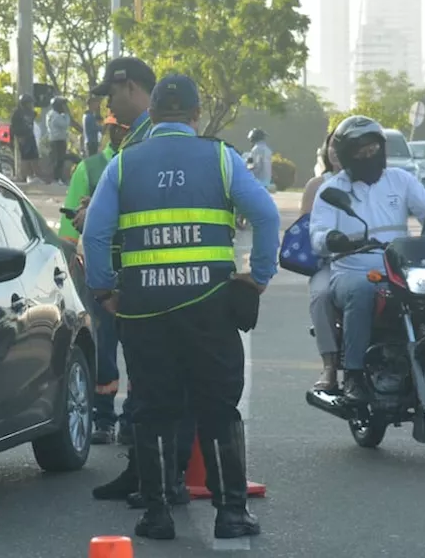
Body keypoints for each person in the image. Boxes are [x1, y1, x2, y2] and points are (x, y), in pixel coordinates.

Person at [82, 74, 278, 541]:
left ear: (152, 114)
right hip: (210, 308)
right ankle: (231, 514)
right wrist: (259, 277)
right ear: (195, 115)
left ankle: (157, 515)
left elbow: (94, 233)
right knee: (217, 407)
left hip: (145, 311)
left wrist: (104, 291)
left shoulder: (125, 163)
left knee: (152, 409)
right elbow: (268, 215)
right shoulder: (221, 157)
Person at [309, 116, 425, 404]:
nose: (369, 154)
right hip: (353, 268)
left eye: (373, 147)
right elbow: (317, 232)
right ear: (345, 154)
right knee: (361, 290)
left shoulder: (400, 180)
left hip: (399, 267)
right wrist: (334, 239)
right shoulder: (332, 191)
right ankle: (353, 375)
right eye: (360, 150)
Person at [59, 114, 130, 445]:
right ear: (110, 130)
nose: (120, 133)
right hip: (97, 272)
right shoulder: (88, 169)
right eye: (117, 129)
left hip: (138, 270)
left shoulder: (141, 163)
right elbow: (67, 233)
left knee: (140, 348)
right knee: (103, 347)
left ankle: (133, 417)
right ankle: (104, 417)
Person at [301, 132, 343, 392]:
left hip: (375, 260)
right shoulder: (318, 185)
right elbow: (306, 229)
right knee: (321, 295)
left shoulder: (385, 181)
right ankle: (329, 365)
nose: (336, 151)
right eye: (332, 145)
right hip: (330, 261)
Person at [10, 95, 40, 182]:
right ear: (24, 103)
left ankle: (35, 175)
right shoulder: (17, 113)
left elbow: (32, 120)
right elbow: (13, 128)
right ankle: (24, 176)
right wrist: (18, 137)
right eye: (29, 103)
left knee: (34, 156)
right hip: (22, 137)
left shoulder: (31, 113)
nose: (31, 105)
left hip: (30, 136)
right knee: (25, 158)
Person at [45, 97, 72, 184]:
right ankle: (56, 179)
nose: (64, 107)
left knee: (59, 159)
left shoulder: (50, 114)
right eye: (63, 105)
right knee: (58, 160)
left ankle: (58, 178)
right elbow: (65, 125)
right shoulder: (55, 116)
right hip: (58, 140)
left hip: (55, 139)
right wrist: (67, 114)